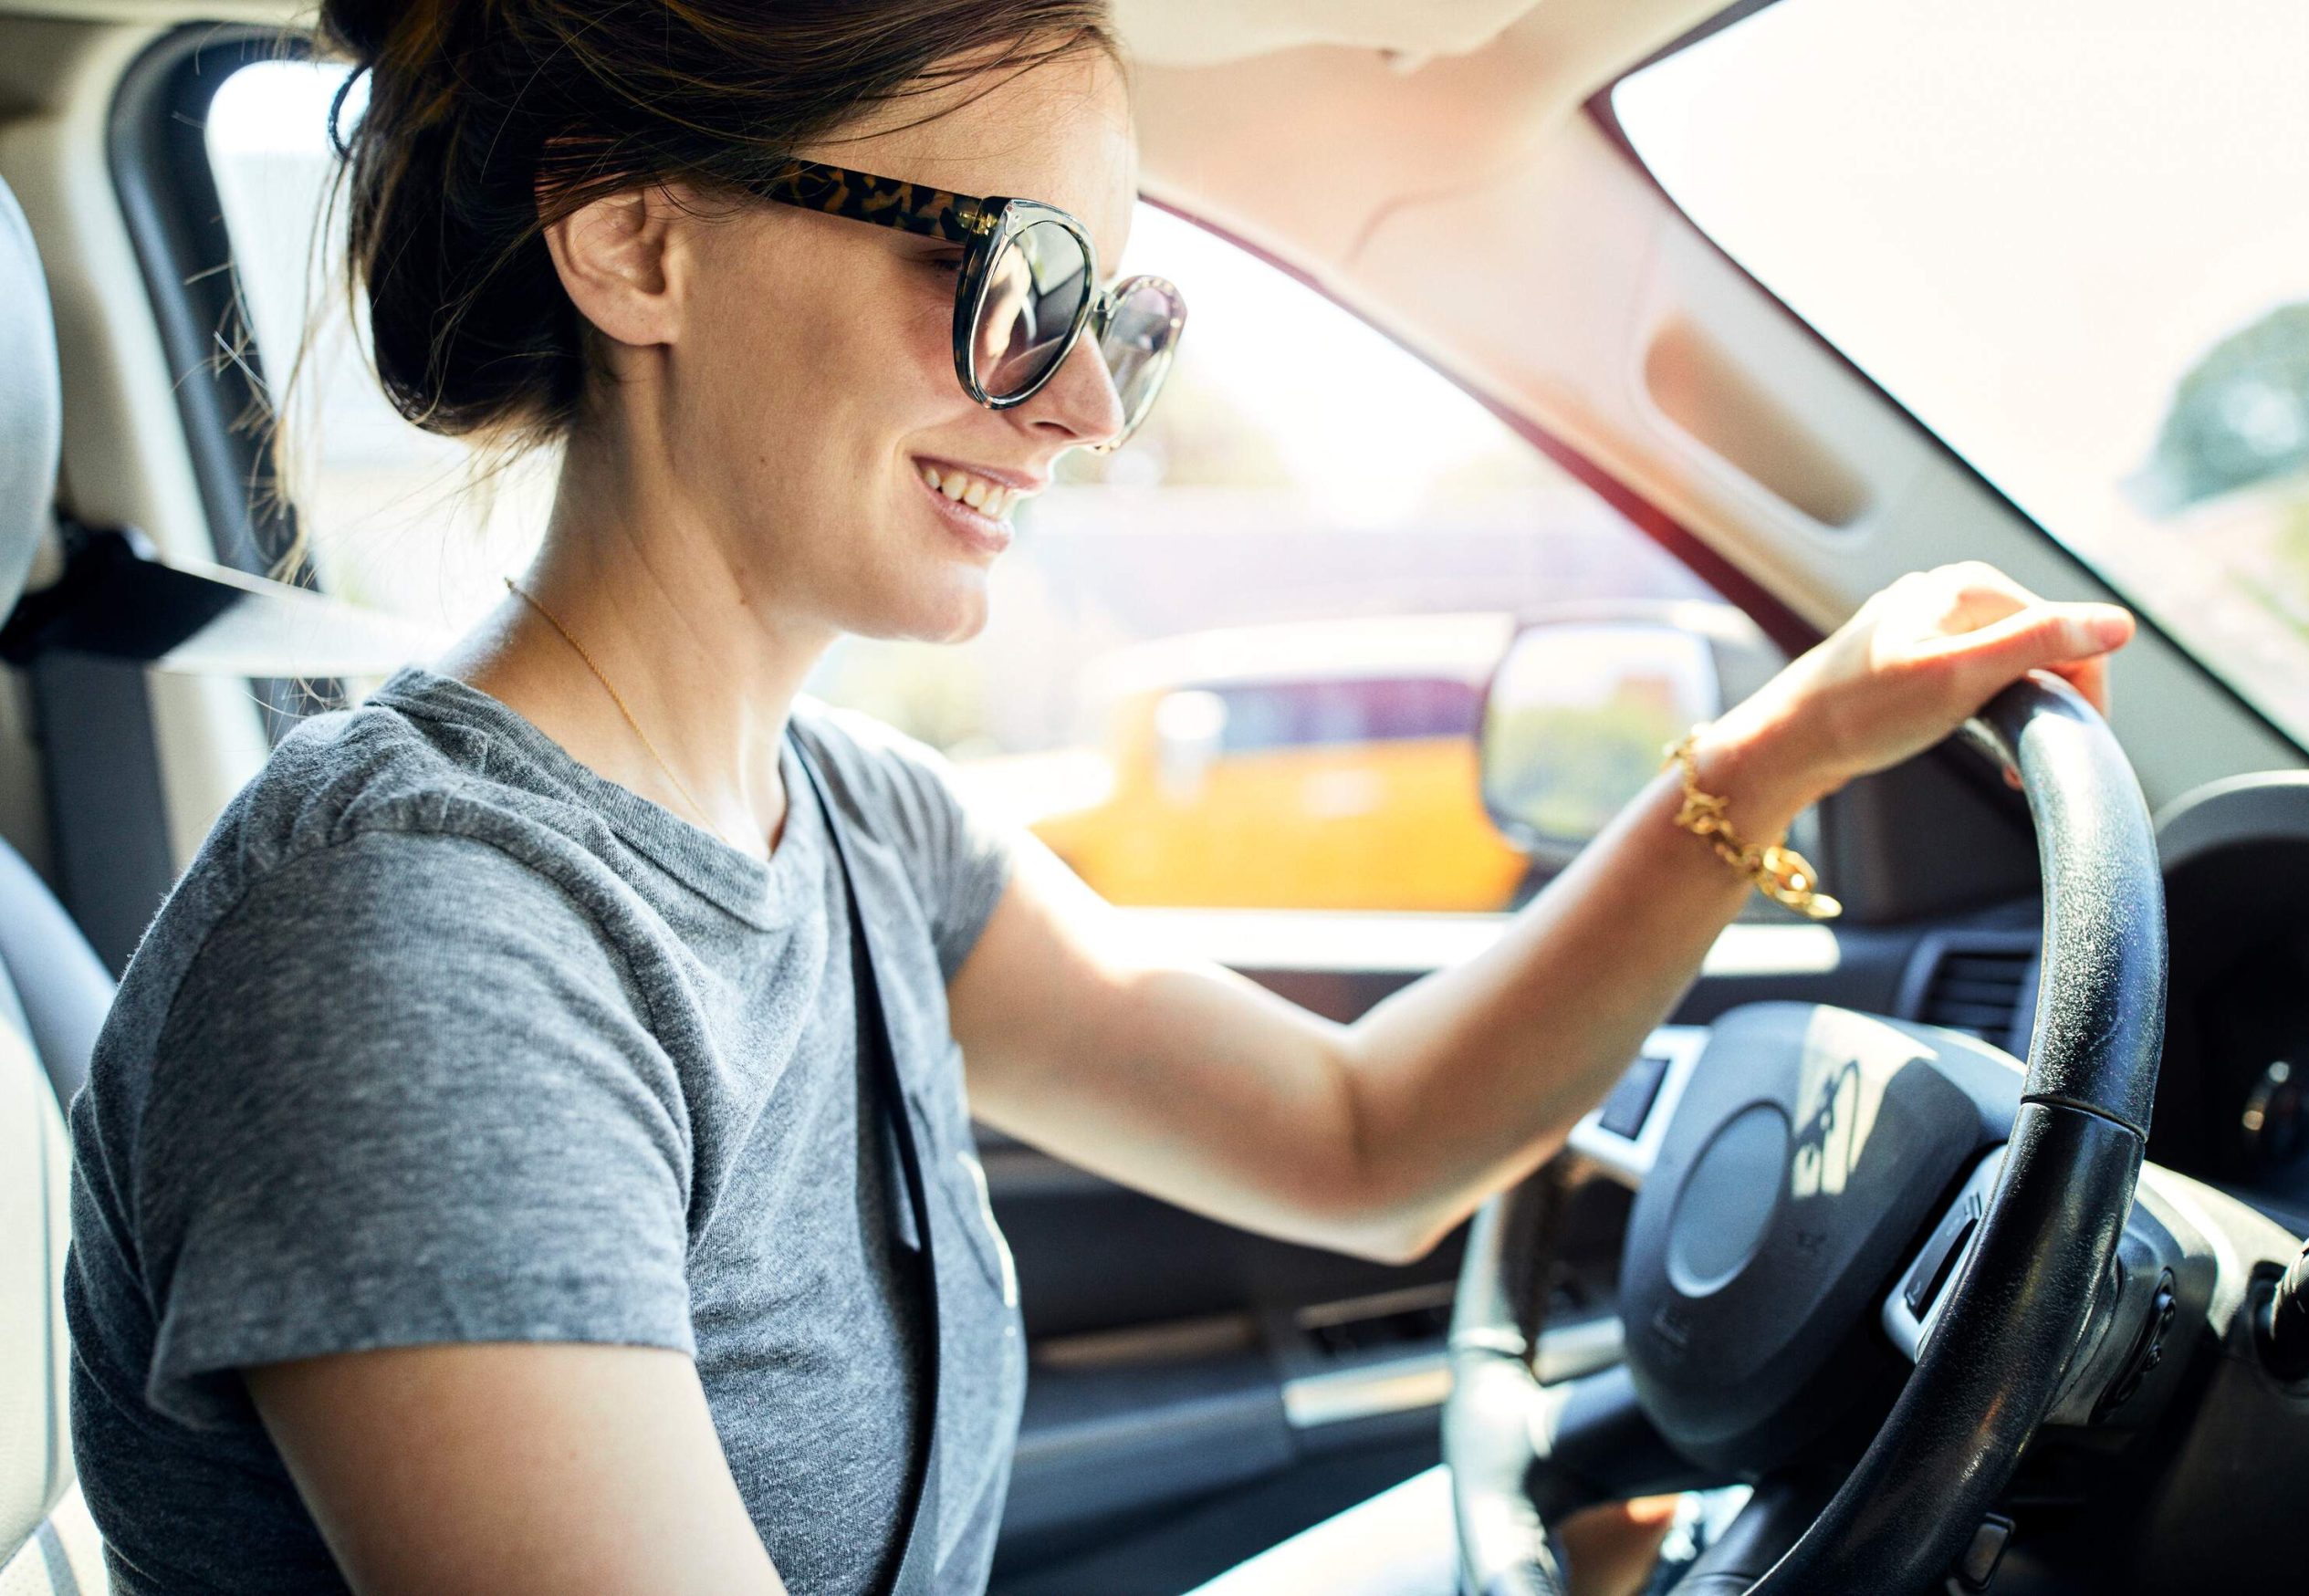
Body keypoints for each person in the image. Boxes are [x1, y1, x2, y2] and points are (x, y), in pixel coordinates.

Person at [60, 2, 2136, 1592]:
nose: (1077, 408)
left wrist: (1771, 751)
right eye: (1011, 282)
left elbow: (1363, 1137)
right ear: (632, 242)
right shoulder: (417, 944)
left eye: (1117, 319)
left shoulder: (861, 827)